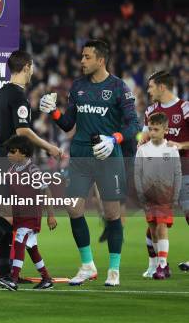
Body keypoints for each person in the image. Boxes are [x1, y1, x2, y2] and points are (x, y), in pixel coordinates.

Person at [40, 39, 139, 286]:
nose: (81, 61)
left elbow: (134, 125)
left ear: (100, 60)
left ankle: (114, 270)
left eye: (86, 57)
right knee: (74, 209)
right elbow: (68, 124)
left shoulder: (119, 88)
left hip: (108, 156)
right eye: (82, 57)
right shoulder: (78, 87)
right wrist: (53, 112)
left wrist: (113, 139)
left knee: (112, 213)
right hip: (81, 155)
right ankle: (87, 265)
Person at [0, 50, 62, 285]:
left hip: (0, 157)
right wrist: (49, 146)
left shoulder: (0, 93)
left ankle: (4, 271)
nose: (33, 71)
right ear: (27, 67)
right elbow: (22, 132)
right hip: (10, 160)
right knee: (9, 217)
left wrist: (1, 151)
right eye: (32, 67)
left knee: (12, 216)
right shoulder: (20, 97)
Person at [140, 71, 189, 275]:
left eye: (151, 86)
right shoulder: (151, 110)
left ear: (162, 87)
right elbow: (142, 138)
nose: (148, 90)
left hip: (185, 171)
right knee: (154, 221)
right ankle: (156, 264)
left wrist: (180, 144)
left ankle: (159, 264)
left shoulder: (185, 108)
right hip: (157, 178)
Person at [0, 135, 57, 291]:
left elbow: (46, 190)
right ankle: (46, 278)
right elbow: (0, 180)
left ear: (23, 153)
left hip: (31, 216)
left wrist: (51, 215)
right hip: (20, 216)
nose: (8, 154)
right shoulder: (12, 170)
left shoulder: (33, 170)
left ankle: (13, 279)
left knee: (20, 241)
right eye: (8, 151)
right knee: (32, 248)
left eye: (12, 151)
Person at [135, 112, 181, 280]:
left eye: (156, 129)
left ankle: (161, 264)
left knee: (161, 227)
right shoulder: (142, 150)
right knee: (153, 230)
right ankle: (163, 265)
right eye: (151, 129)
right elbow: (137, 174)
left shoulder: (172, 149)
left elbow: (177, 173)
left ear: (165, 130)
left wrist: (175, 195)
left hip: (165, 195)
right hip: (148, 196)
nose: (152, 132)